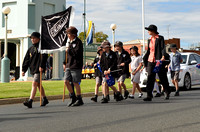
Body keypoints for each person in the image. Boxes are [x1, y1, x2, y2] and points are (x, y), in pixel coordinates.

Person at [143, 24, 171, 101]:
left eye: (149, 30)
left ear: (153, 31)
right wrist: (145, 59)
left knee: (162, 77)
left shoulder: (160, 38)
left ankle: (167, 91)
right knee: (150, 77)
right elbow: (149, 50)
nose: (148, 31)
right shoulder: (149, 39)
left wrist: (163, 56)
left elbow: (163, 48)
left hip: (158, 60)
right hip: (150, 60)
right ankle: (149, 95)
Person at [22, 32, 49, 108]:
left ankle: (30, 101)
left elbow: (44, 57)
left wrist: (42, 66)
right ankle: (44, 98)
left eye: (34, 38)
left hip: (39, 69)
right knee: (38, 85)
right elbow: (26, 60)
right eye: (31, 38)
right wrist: (24, 69)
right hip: (33, 69)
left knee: (34, 83)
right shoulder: (30, 49)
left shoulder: (42, 48)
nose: (32, 40)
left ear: (38, 39)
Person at [63, 26, 84, 107]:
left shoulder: (78, 42)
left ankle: (79, 99)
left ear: (73, 34)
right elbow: (67, 55)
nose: (67, 35)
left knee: (75, 82)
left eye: (68, 33)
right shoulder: (69, 43)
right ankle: (72, 97)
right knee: (66, 81)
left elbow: (76, 54)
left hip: (76, 65)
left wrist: (69, 50)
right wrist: (64, 63)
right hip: (69, 64)